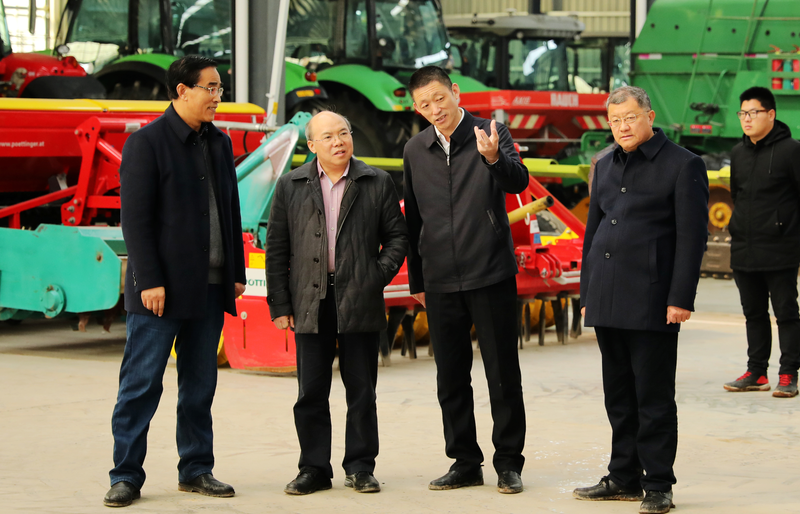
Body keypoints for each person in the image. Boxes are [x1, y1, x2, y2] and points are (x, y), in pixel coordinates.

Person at [104, 55, 246, 507]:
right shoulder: (146, 143)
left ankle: (196, 469)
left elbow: (230, 208)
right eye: (211, 88)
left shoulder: (219, 143)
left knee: (200, 386)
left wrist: (236, 272)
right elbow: (135, 220)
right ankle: (126, 475)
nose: (217, 97)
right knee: (141, 385)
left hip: (210, 287)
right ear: (182, 90)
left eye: (220, 89)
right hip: (160, 292)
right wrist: (148, 279)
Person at [573, 86, 708, 514]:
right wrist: (587, 292)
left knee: (653, 397)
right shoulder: (604, 164)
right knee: (618, 396)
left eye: (630, 118)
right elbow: (593, 233)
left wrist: (680, 297)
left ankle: (658, 485)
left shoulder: (683, 165)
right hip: (606, 297)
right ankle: (623, 477)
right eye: (615, 121)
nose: (623, 127)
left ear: (649, 116)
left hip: (652, 298)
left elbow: (692, 238)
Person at [266, 111, 407, 495]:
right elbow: (276, 248)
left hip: (359, 297)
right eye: (328, 136)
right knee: (311, 391)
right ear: (312, 145)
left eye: (343, 133)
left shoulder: (376, 181)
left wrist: (374, 276)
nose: (338, 141)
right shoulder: (291, 185)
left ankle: (360, 467)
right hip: (309, 299)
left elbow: (397, 238)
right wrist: (280, 304)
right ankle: (313, 468)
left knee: (361, 390)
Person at [403, 65, 529, 494]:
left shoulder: (491, 132)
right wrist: (417, 279)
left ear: (455, 92)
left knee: (502, 374)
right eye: (425, 104)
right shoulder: (415, 150)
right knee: (451, 377)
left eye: (440, 98)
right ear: (417, 108)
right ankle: (464, 462)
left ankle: (508, 463)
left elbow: (518, 182)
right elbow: (413, 218)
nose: (435, 109)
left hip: (490, 272)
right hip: (439, 279)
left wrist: (493, 157)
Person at [723, 87, 800, 398]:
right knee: (753, 313)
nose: (747, 119)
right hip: (744, 246)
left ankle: (788, 373)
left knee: (786, 313)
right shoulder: (738, 153)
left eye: (753, 112)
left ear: (771, 114)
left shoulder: (791, 151)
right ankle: (756, 372)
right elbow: (736, 195)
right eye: (742, 113)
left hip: (780, 247)